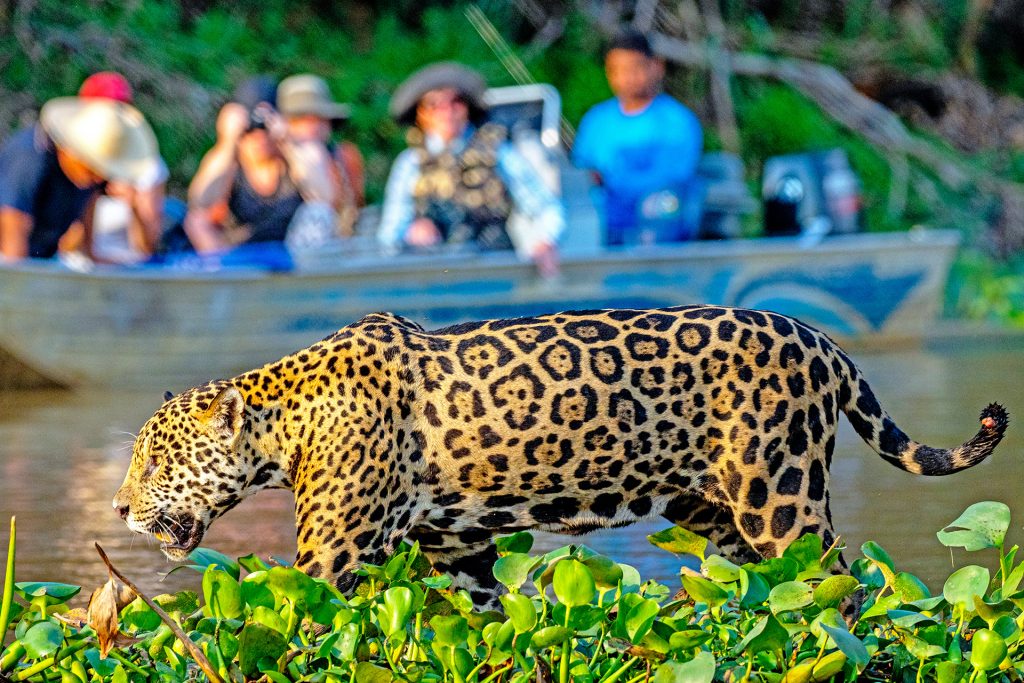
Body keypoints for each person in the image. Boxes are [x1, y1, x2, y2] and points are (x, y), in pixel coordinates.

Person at [378, 62, 564, 276]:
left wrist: (545, 241)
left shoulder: (497, 152)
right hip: (433, 278)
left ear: (467, 108)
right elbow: (389, 235)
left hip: (492, 271)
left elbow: (547, 207)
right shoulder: (410, 163)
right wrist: (413, 232)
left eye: (456, 102)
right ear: (420, 114)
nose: (446, 111)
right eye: (433, 104)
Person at [184, 76, 343, 263]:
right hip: (237, 256)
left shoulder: (301, 152)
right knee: (197, 221)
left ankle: (304, 285)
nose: (258, 137)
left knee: (319, 212)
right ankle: (223, 280)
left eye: (264, 128)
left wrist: (287, 142)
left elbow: (326, 199)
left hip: (293, 257)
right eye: (250, 130)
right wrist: (227, 142)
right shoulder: (229, 160)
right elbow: (199, 201)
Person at [573, 31, 705, 246]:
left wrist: (612, 181)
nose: (626, 77)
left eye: (635, 68)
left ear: (656, 67)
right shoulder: (596, 120)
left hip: (657, 228)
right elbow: (582, 172)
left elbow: (673, 177)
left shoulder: (677, 121)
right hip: (603, 226)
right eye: (618, 70)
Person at [0, 96, 160, 262]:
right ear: (71, 150)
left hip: (42, 260)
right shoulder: (29, 160)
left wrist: (134, 206)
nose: (98, 178)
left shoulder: (90, 177)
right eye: (92, 169)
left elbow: (86, 249)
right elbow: (14, 254)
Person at [59, 71, 172, 263]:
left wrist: (134, 205)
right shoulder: (69, 160)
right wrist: (87, 198)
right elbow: (65, 245)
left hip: (126, 268)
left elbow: (147, 249)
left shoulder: (147, 165)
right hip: (77, 265)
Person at [277, 73, 365, 239]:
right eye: (301, 119)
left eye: (320, 118)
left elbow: (343, 211)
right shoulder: (272, 159)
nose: (313, 127)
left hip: (327, 254)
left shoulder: (344, 157)